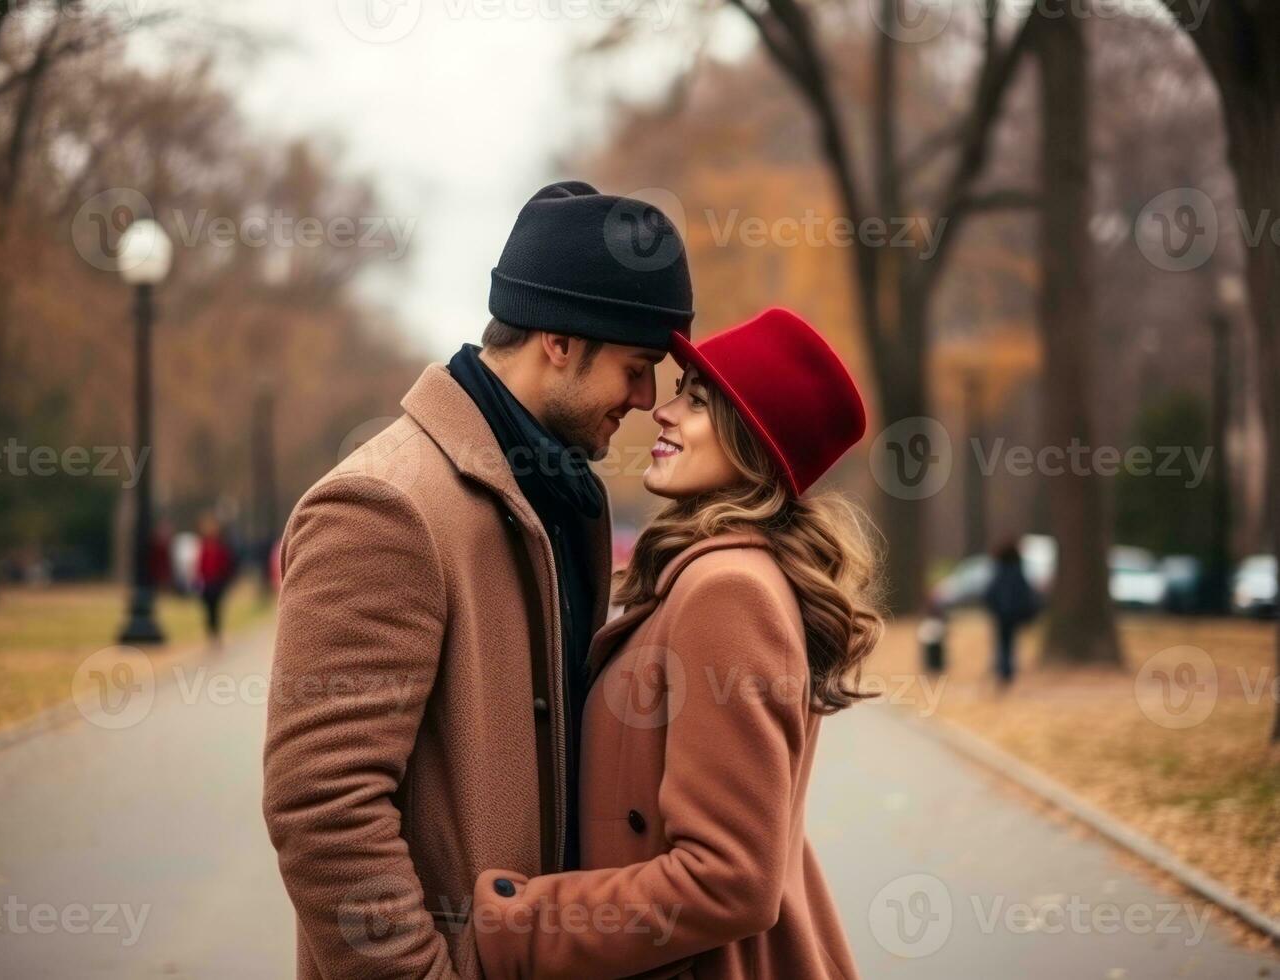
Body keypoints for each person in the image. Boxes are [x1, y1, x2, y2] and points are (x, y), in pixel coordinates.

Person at [261, 180, 694, 979]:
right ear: (559, 342)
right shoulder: (384, 506)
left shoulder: (564, 496)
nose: (645, 399)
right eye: (636, 368)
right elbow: (321, 806)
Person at [471, 307, 884, 979]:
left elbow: (728, 878)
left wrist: (523, 925)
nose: (662, 412)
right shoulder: (711, 574)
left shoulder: (728, 592)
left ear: (752, 439)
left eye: (695, 400)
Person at [984, 538, 1040, 687]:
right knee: (1010, 642)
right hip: (1013, 614)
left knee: (1002, 642)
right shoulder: (1017, 570)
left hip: (1001, 614)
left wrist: (992, 606)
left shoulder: (999, 570)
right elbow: (1025, 592)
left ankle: (1003, 669)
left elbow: (990, 591)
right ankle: (1006, 669)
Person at [195, 513, 236, 645]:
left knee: (216, 608)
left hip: (218, 582)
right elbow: (200, 564)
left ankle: (216, 633)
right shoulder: (204, 546)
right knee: (208, 609)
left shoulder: (220, 546)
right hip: (206, 583)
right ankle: (211, 633)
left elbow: (226, 564)